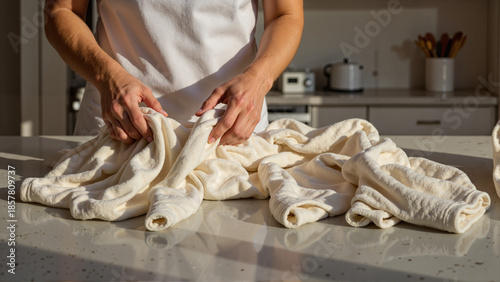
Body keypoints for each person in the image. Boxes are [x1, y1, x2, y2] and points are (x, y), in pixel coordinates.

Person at [44, 0, 304, 145]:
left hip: (233, 128)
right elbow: (60, 11)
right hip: (121, 128)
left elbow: (286, 14)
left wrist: (259, 78)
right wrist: (107, 76)